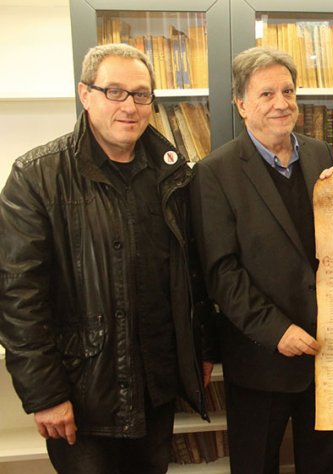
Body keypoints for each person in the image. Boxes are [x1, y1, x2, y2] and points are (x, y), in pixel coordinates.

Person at [0, 43, 210, 474]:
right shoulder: (37, 176)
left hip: (156, 388)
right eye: (114, 91)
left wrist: (198, 349)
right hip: (83, 393)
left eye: (141, 94)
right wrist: (45, 395)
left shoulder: (172, 173)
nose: (129, 106)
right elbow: (17, 296)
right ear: (85, 94)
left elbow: (191, 273)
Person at [190, 46, 333, 474]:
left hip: (325, 354)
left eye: (288, 91)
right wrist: (277, 331)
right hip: (260, 360)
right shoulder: (214, 172)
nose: (281, 103)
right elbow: (222, 274)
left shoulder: (320, 155)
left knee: (323, 464)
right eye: (266, 94)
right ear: (241, 105)